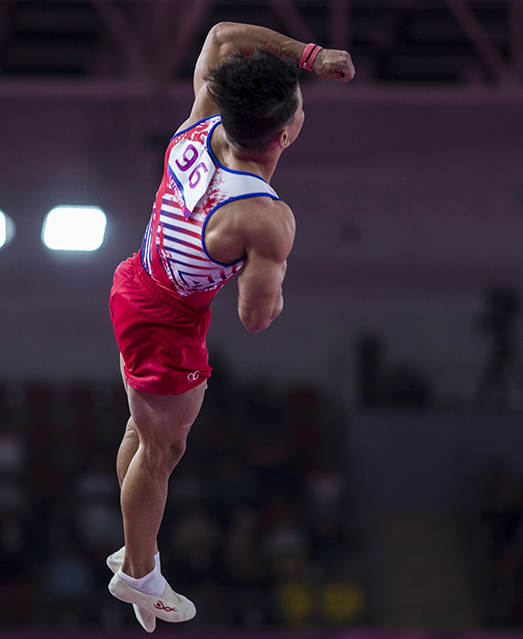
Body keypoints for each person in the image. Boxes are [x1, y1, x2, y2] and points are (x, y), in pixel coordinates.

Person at [107, 21, 355, 632]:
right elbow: (255, 318)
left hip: (138, 278)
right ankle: (139, 575)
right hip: (166, 320)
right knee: (162, 451)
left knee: (144, 433)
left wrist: (310, 56)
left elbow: (222, 36)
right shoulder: (263, 218)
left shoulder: (202, 120)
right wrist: (272, 272)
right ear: (285, 134)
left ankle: (133, 546)